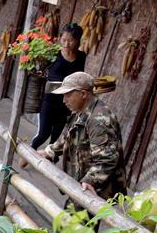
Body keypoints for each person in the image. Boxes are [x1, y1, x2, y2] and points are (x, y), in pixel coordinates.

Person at [42, 71, 126, 199]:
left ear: (83, 94)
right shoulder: (80, 111)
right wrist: (50, 151)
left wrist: (89, 180)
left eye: (68, 95)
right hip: (82, 179)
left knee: (76, 218)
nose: (64, 100)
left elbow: (107, 159)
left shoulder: (99, 120)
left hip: (96, 189)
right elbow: (69, 137)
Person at [30, 23, 87, 150]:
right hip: (50, 100)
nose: (66, 44)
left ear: (78, 40)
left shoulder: (82, 57)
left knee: (55, 137)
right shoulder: (53, 53)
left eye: (70, 40)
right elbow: (40, 70)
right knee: (43, 134)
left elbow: (79, 76)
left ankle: (50, 162)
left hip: (67, 102)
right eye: (64, 40)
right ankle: (29, 153)